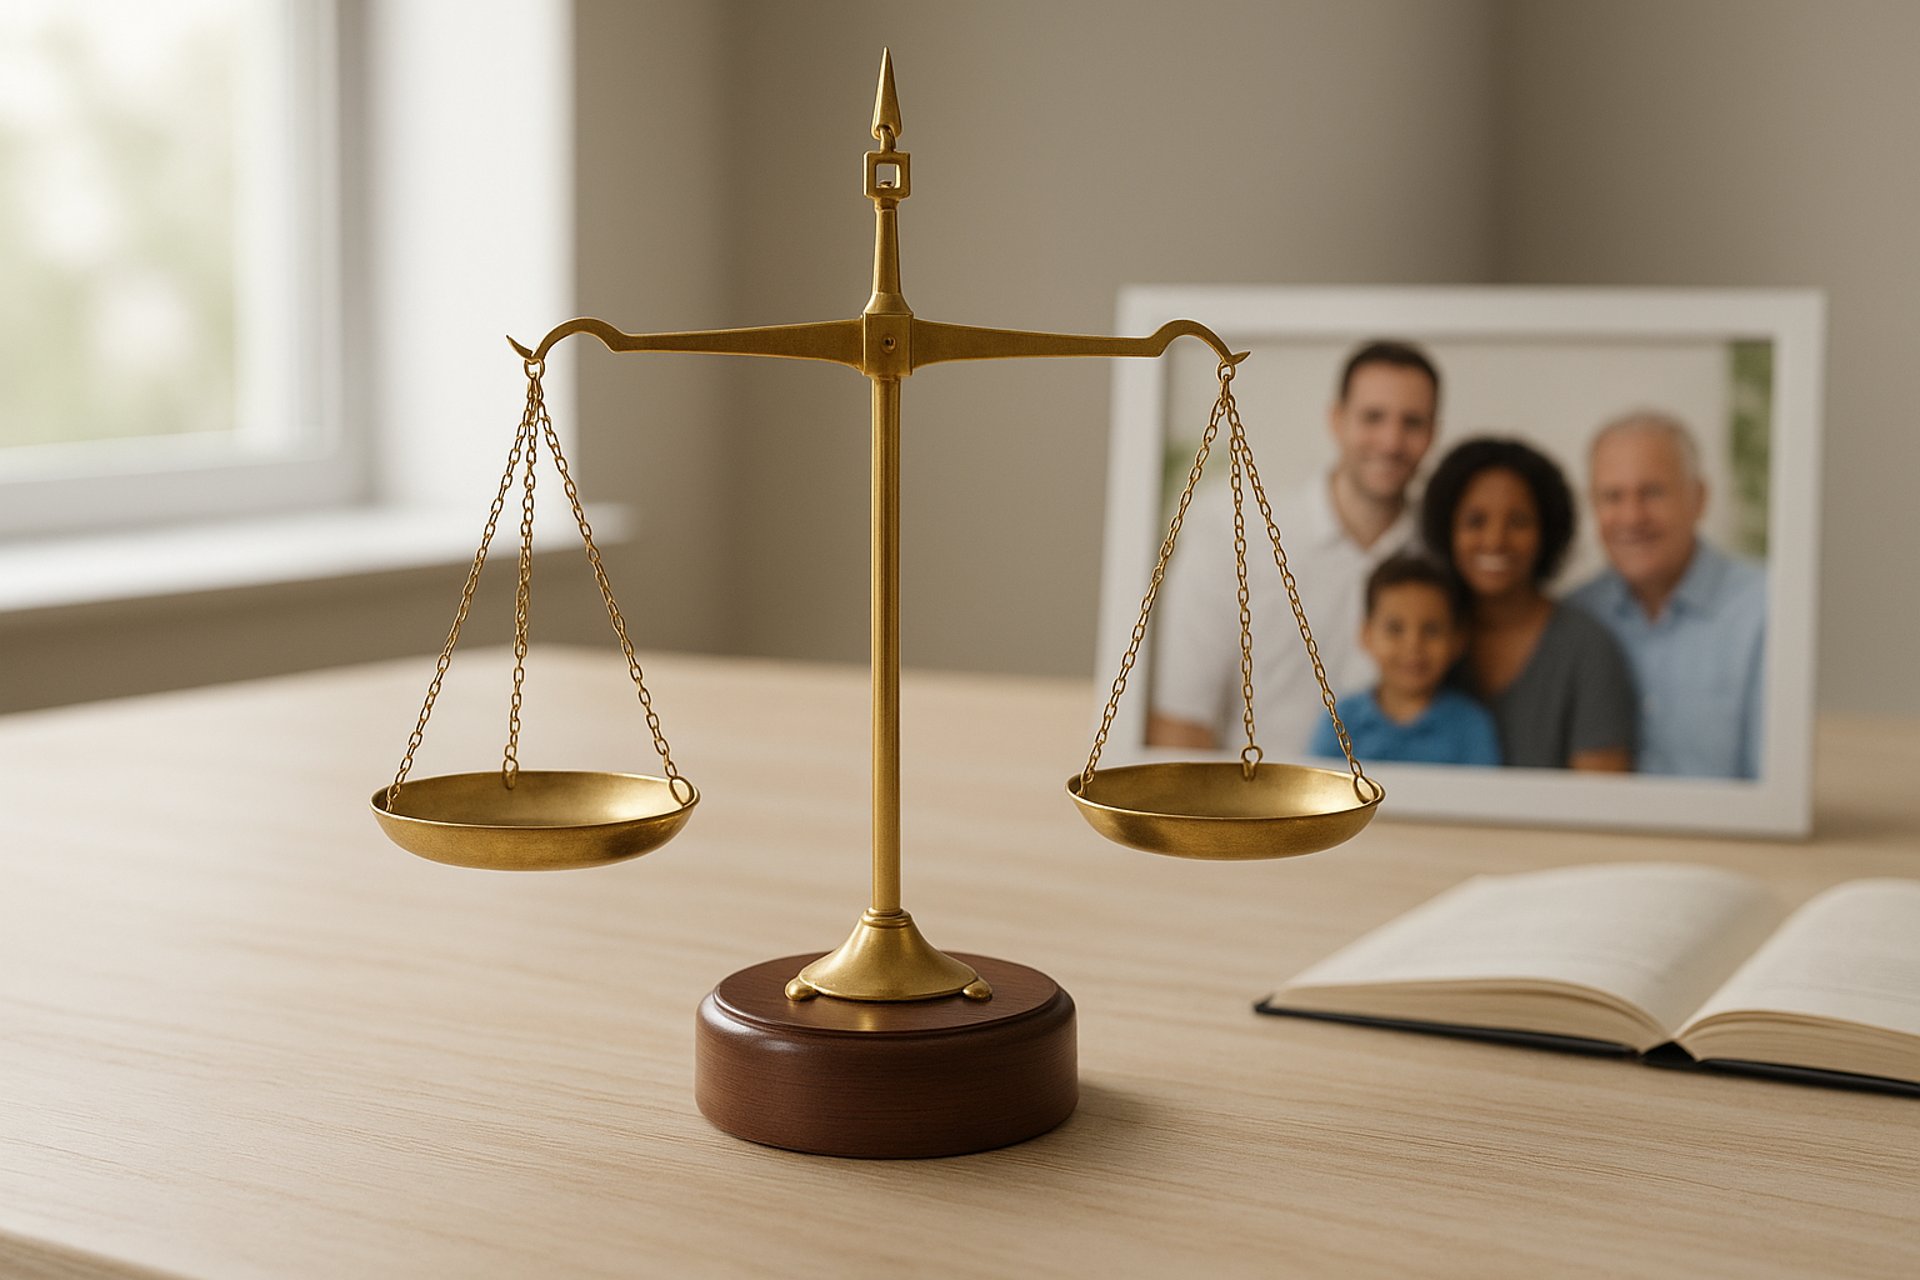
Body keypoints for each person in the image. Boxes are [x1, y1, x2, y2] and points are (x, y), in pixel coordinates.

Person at [1149, 340, 1439, 754]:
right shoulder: (1232, 529)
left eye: (1412, 422)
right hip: (1255, 791)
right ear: (1337, 420)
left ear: (1433, 432)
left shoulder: (1442, 552)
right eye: (1373, 417)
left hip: (1402, 793)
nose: (1391, 441)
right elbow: (1182, 720)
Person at [1568, 412, 1766, 779]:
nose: (1632, 516)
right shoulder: (1574, 617)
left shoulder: (1765, 611)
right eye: (1612, 497)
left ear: (1699, 498)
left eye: (1652, 493)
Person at [1419, 437, 1635, 771]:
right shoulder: (1420, 633)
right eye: (1475, 521)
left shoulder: (1587, 648)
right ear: (1447, 529)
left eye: (1518, 522)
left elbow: (1601, 796)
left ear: (1547, 532)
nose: (1495, 540)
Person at [1311, 553, 1502, 766]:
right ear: (1367, 635)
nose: (1413, 645)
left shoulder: (1470, 725)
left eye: (1431, 630)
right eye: (1395, 629)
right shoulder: (1341, 720)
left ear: (1457, 640)